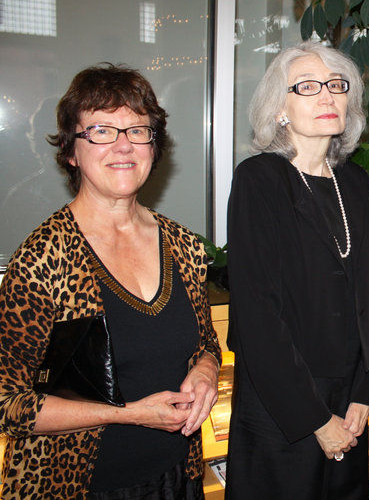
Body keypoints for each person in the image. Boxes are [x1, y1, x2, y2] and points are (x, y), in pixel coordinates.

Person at [0, 63, 222, 498]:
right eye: (101, 131)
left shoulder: (182, 244)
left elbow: (206, 342)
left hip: (176, 478)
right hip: (79, 486)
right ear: (71, 151)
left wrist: (206, 371)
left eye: (138, 130)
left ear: (153, 147)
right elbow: (9, 405)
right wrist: (130, 413)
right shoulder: (43, 258)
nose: (123, 146)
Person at [224, 40, 369, 500]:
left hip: (348, 399)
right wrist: (314, 418)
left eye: (336, 85)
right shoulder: (260, 179)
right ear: (280, 108)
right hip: (284, 404)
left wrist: (363, 394)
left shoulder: (353, 183)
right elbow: (257, 316)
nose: (327, 96)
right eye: (308, 87)